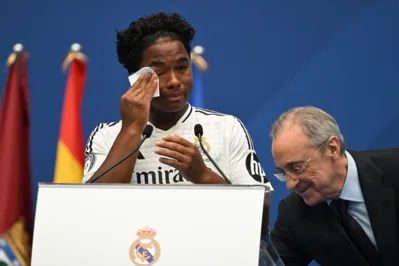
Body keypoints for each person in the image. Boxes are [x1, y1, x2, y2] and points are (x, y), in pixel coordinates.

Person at [81, 12, 273, 237]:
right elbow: (91, 212)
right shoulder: (106, 135)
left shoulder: (227, 128)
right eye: (159, 72)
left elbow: (260, 218)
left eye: (182, 67)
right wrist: (132, 128)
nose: (174, 81)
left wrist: (203, 177)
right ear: (135, 78)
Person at [269, 106, 399, 266]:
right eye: (283, 173)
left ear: (332, 148)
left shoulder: (394, 170)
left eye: (297, 168)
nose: (290, 184)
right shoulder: (294, 214)